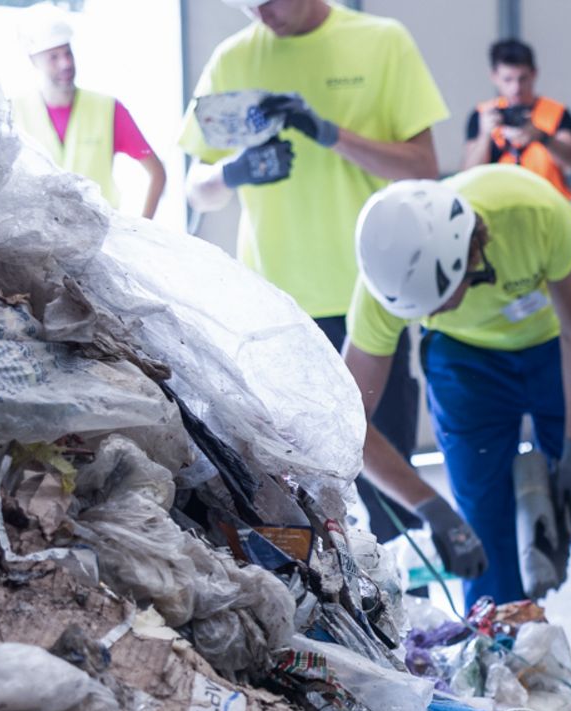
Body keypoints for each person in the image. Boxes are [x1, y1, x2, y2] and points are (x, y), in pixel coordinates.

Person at [339, 168, 571, 699]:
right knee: (482, 535)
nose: (438, 311)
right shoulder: (390, 284)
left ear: (471, 254)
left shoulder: (533, 213)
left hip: (555, 343)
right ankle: (506, 695)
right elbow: (346, 420)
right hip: (466, 363)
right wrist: (433, 509)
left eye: (442, 299)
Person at [179, 0, 448, 545]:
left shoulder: (382, 42)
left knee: (385, 486)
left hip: (371, 299)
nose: (262, 14)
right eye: (247, 5)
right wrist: (234, 172)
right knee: (287, 483)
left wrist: (332, 135)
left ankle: (411, 617)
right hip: (275, 311)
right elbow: (196, 189)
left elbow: (423, 169)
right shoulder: (232, 59)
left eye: (270, 1)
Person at [14, 8, 166, 219]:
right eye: (53, 57)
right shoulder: (14, 113)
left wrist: (142, 229)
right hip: (36, 244)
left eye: (68, 53)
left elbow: (156, 173)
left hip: (101, 241)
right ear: (33, 61)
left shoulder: (109, 109)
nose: (66, 63)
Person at [464, 39, 571, 199]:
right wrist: (485, 136)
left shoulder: (557, 113)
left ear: (534, 74)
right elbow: (468, 174)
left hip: (548, 208)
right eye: (508, 79)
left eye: (522, 79)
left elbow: (570, 160)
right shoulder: (482, 114)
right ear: (494, 77)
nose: (516, 88)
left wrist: (542, 137)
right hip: (498, 207)